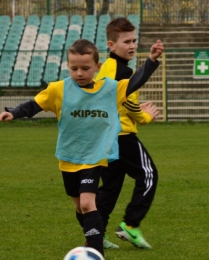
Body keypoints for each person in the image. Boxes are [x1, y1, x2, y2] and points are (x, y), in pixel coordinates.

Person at [0, 38, 164, 257]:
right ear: (68, 66)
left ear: (97, 67)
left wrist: (152, 60)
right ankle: (93, 234)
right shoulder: (59, 89)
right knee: (80, 208)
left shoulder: (110, 89)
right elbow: (35, 104)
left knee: (88, 203)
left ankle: (95, 252)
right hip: (68, 158)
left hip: (94, 157)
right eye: (74, 68)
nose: (79, 73)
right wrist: (13, 112)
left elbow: (135, 81)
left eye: (85, 68)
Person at [94, 17, 159, 250]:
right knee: (149, 175)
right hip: (122, 136)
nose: (132, 46)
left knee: (111, 187)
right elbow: (126, 100)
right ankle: (131, 225)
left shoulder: (108, 68)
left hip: (106, 136)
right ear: (111, 45)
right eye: (126, 41)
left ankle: (95, 235)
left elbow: (115, 99)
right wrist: (145, 116)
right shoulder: (120, 70)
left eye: (134, 41)